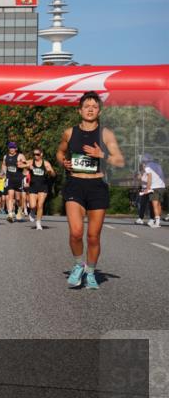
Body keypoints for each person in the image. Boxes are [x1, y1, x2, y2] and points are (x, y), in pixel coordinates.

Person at [56, 91, 125, 289]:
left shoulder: (106, 133)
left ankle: (91, 272)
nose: (90, 109)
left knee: (93, 236)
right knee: (76, 233)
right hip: (75, 184)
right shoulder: (70, 132)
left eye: (94, 106)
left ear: (99, 111)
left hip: (97, 186)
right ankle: (79, 265)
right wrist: (64, 163)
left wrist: (101, 154)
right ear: (80, 110)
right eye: (87, 106)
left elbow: (119, 160)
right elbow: (60, 152)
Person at [26, 147, 54, 230]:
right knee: (33, 205)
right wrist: (27, 166)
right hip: (33, 186)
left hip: (43, 186)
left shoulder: (46, 163)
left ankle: (38, 223)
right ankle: (32, 211)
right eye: (34, 154)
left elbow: (53, 175)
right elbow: (19, 165)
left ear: (41, 154)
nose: (36, 156)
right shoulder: (31, 161)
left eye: (37, 154)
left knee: (40, 205)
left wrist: (50, 172)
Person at [2, 142, 28, 222]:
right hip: (9, 178)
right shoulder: (5, 156)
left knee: (17, 198)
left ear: (16, 148)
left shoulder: (20, 156)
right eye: (10, 148)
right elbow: (4, 165)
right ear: (8, 148)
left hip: (18, 179)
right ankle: (10, 214)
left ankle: (20, 209)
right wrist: (4, 172)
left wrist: (21, 164)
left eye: (13, 148)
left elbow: (26, 164)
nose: (11, 149)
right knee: (10, 196)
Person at [139, 155, 165, 227]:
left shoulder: (148, 167)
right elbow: (162, 175)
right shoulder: (158, 165)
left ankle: (156, 223)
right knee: (159, 204)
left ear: (145, 161)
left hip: (154, 187)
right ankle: (158, 221)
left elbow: (149, 178)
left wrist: (148, 188)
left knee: (155, 205)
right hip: (162, 186)